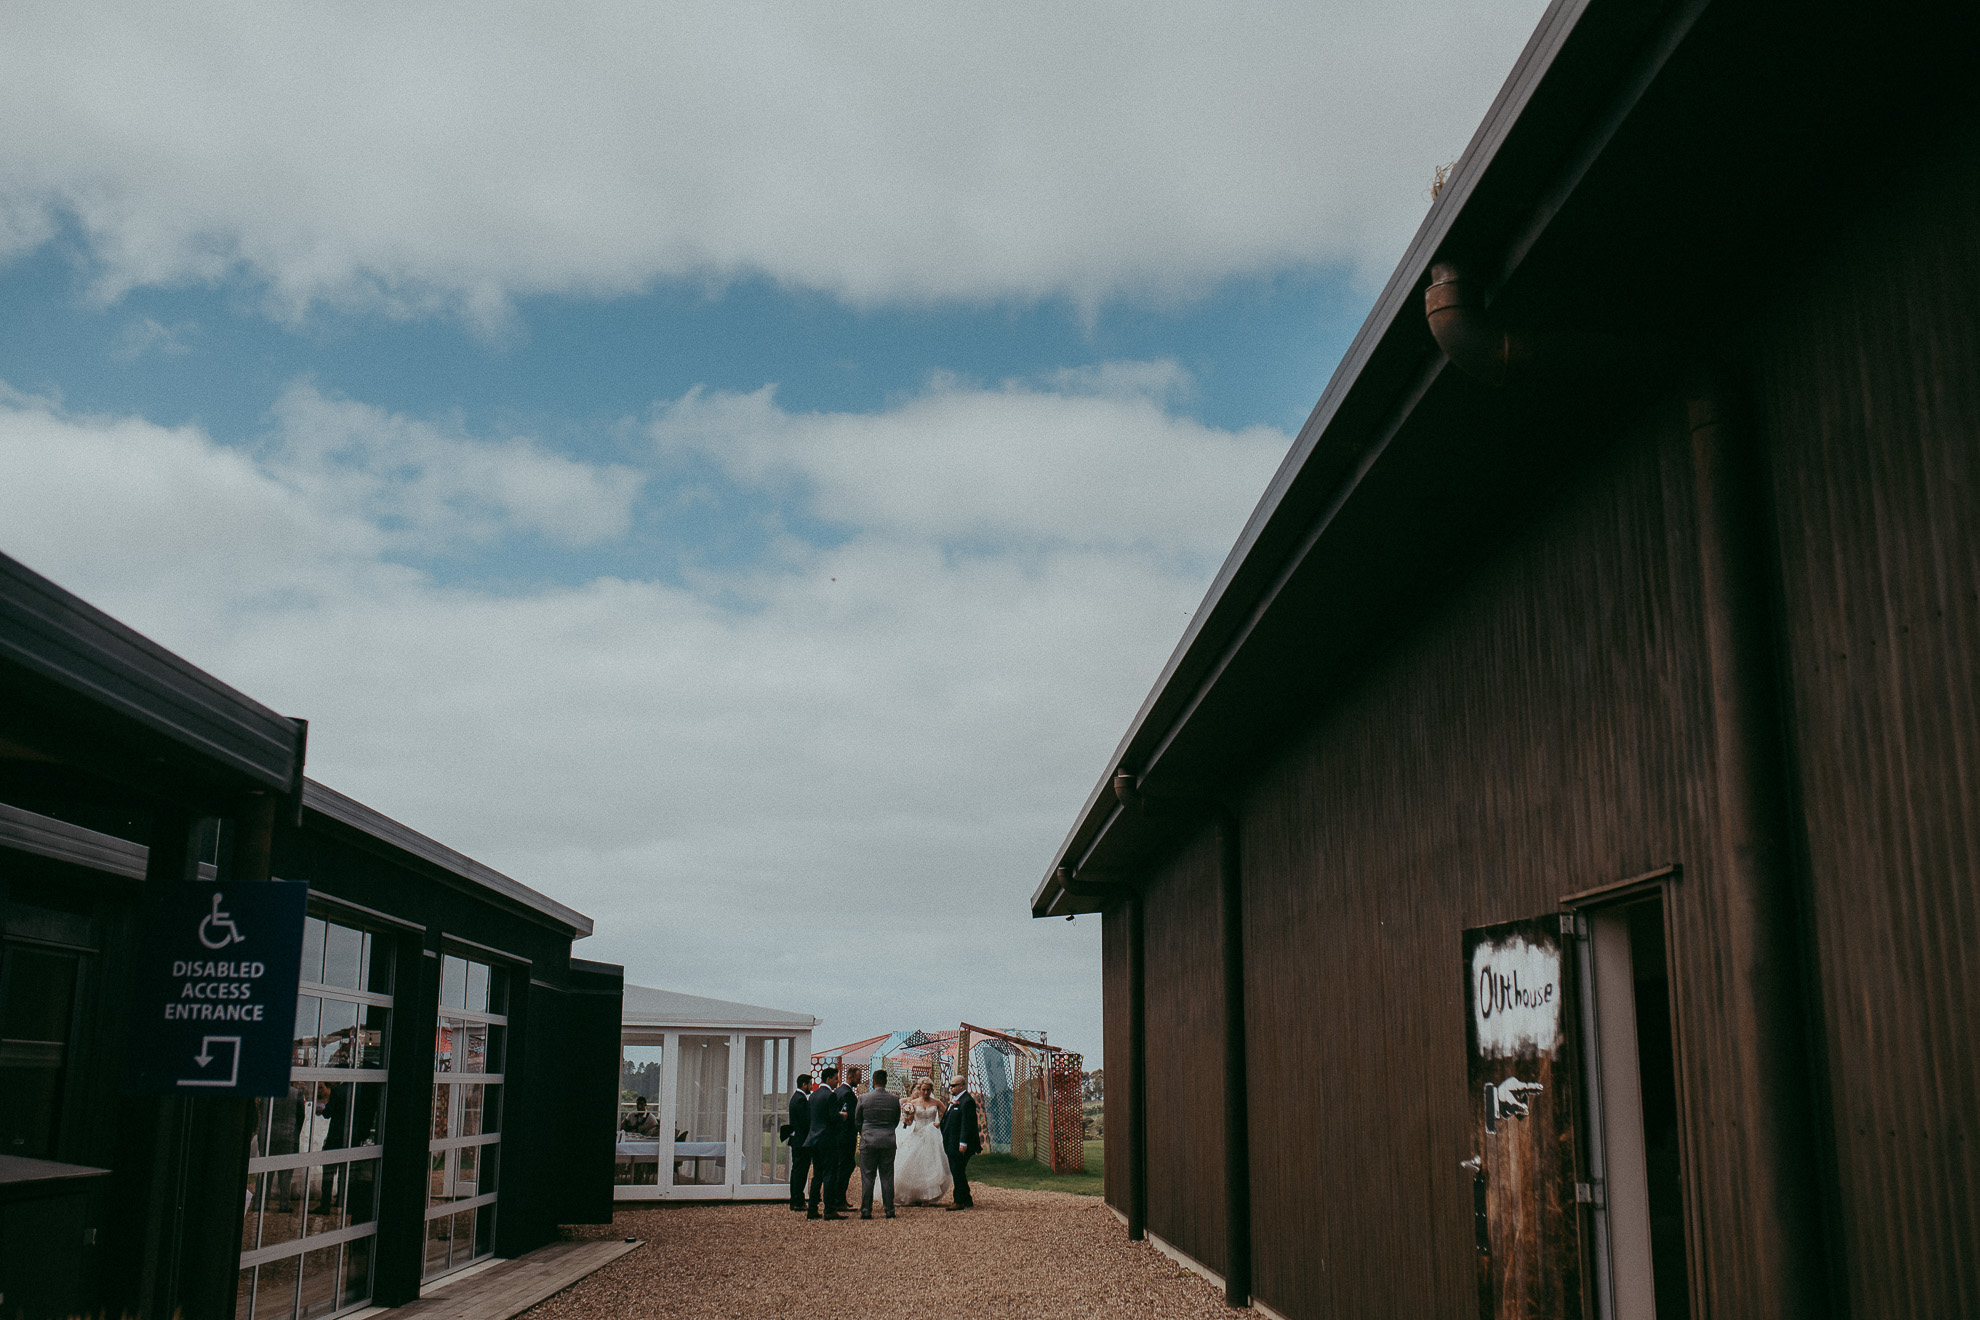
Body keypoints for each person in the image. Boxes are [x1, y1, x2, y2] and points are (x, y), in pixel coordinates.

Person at [892, 1079, 953, 1206]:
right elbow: (908, 1121)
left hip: (932, 1135)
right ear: (919, 1090)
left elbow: (948, 1115)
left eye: (927, 1090)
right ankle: (914, 1194)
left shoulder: (936, 1102)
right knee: (914, 1164)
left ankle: (927, 1196)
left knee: (930, 1165)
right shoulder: (913, 1103)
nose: (925, 1092)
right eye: (923, 1090)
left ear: (931, 1090)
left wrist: (939, 1123)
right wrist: (907, 1119)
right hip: (917, 1133)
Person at [854, 1069, 903, 1219]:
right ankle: (889, 1210)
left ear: (873, 1081)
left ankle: (866, 1210)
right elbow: (896, 1120)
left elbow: (857, 1120)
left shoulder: (864, 1098)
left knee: (868, 1177)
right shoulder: (894, 1099)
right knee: (887, 1176)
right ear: (886, 1081)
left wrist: (865, 1134)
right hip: (887, 1140)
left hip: (869, 1140)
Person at [805, 1067, 845, 1219]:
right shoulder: (830, 1095)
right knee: (829, 1174)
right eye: (835, 1078)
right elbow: (833, 1118)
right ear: (828, 1079)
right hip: (827, 1139)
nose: (837, 1081)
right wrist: (843, 1117)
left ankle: (812, 1209)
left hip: (814, 1138)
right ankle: (829, 1209)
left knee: (817, 1175)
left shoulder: (813, 1095)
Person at [941, 1074, 980, 1210]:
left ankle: (959, 1200)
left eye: (953, 1085)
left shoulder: (966, 1101)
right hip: (951, 1141)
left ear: (962, 1086)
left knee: (957, 1171)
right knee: (958, 1171)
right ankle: (966, 1198)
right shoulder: (956, 1100)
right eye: (950, 1085)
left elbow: (966, 1124)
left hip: (959, 1143)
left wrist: (963, 1143)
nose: (950, 1088)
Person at [832, 1069, 859, 1211]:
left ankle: (839, 1198)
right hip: (846, 1136)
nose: (860, 1081)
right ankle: (839, 1199)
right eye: (858, 1078)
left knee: (841, 1166)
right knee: (846, 1166)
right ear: (850, 1077)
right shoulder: (847, 1094)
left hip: (839, 1136)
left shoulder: (838, 1091)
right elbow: (849, 1116)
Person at [785, 1073, 813, 1211]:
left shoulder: (795, 1098)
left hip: (797, 1140)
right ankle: (797, 1200)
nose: (811, 1087)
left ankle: (796, 1199)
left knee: (797, 1170)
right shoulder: (801, 1100)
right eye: (810, 1084)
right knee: (800, 1171)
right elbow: (805, 1122)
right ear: (804, 1085)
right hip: (802, 1141)